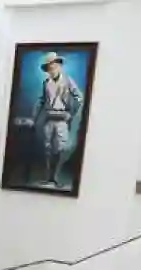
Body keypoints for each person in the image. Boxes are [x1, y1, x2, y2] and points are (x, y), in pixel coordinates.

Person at [31, 51, 84, 188]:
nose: (52, 69)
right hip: (49, 118)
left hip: (62, 119)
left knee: (60, 148)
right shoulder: (46, 83)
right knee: (47, 148)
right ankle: (49, 178)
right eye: (49, 67)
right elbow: (41, 101)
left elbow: (79, 97)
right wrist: (34, 117)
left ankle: (56, 177)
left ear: (59, 66)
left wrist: (70, 113)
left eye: (54, 66)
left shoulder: (67, 80)